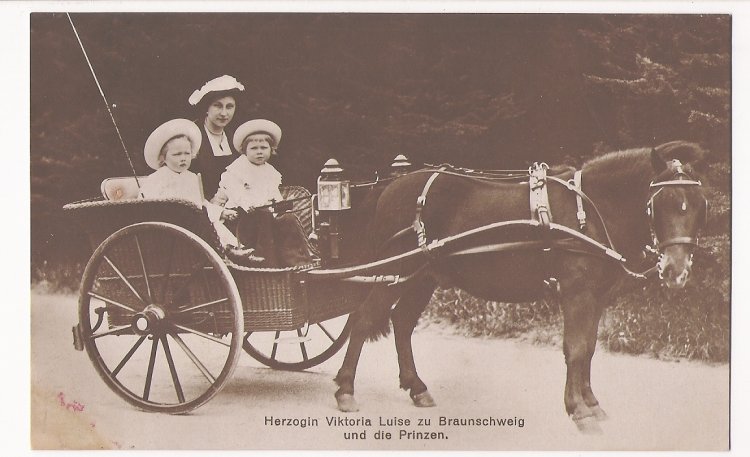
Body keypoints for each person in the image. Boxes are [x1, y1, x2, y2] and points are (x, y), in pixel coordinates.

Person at [140, 118, 263, 264]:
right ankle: (226, 250)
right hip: (170, 224)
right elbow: (149, 207)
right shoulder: (156, 179)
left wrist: (220, 212)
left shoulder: (192, 178)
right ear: (163, 158)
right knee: (203, 220)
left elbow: (201, 203)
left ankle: (233, 249)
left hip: (194, 222)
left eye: (187, 153)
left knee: (212, 222)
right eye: (177, 154)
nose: (183, 158)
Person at [212, 119, 313, 267]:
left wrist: (281, 205)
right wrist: (248, 204)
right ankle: (268, 263)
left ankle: (296, 262)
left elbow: (274, 194)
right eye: (254, 148)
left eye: (264, 148)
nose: (259, 151)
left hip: (266, 217)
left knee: (288, 219)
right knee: (264, 216)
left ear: (271, 149)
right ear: (244, 150)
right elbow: (235, 191)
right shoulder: (237, 169)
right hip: (241, 220)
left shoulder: (271, 172)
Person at [187, 74, 245, 200]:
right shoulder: (191, 135)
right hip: (199, 204)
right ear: (206, 108)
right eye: (218, 106)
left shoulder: (235, 139)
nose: (224, 113)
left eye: (229, 106)